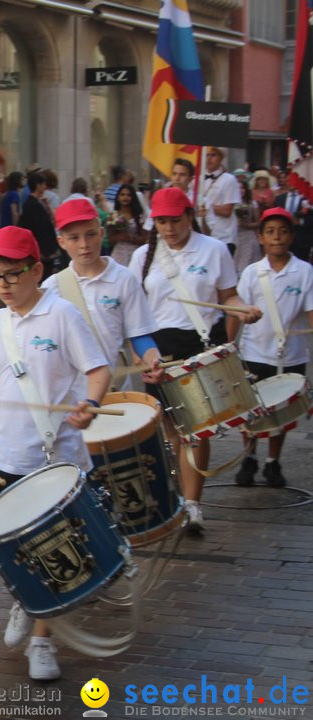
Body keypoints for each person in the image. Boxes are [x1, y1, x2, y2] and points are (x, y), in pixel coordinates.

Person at [0, 226, 111, 682]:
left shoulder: (62, 315)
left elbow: (99, 369)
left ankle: (43, 640)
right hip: (4, 456)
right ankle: (26, 595)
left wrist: (91, 404)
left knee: (57, 554)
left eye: (13, 273)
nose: (4, 283)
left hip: (56, 457)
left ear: (37, 271)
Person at [128, 187, 262, 533]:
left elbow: (228, 296)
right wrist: (138, 355)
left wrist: (243, 309)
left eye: (175, 220)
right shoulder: (142, 256)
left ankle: (192, 505)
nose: (168, 228)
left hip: (199, 343)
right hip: (156, 347)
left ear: (190, 216)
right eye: (161, 221)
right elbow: (133, 316)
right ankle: (173, 497)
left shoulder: (214, 249)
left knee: (196, 431)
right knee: (167, 431)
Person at [228, 208, 313, 487]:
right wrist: (229, 346)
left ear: (291, 236)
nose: (277, 237)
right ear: (261, 238)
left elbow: (310, 312)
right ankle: (249, 456)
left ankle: (272, 463)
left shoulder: (304, 272)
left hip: (291, 354)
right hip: (254, 352)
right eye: (271, 232)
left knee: (281, 412)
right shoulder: (252, 273)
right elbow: (236, 311)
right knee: (252, 410)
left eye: (283, 231)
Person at [42, 198, 164, 385]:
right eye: (74, 238)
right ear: (61, 242)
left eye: (90, 234)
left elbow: (139, 333)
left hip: (114, 389)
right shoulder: (51, 287)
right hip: (70, 396)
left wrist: (155, 360)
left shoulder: (124, 279)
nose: (84, 244)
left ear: (101, 234)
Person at [200, 147, 242, 254]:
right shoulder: (198, 179)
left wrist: (206, 207)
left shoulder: (229, 179)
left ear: (221, 158)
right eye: (207, 155)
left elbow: (227, 210)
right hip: (202, 235)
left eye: (213, 155)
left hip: (223, 236)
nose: (209, 159)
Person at [18, 172, 59, 276]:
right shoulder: (34, 205)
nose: (45, 187)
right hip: (42, 252)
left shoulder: (32, 203)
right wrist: (46, 251)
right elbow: (41, 229)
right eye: (43, 184)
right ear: (38, 185)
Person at [106, 183, 149, 267]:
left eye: (128, 195)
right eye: (122, 195)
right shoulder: (113, 216)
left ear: (133, 197)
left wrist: (132, 239)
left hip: (135, 254)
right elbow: (109, 239)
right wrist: (120, 236)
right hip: (119, 255)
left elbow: (146, 237)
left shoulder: (139, 216)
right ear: (118, 197)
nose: (125, 197)